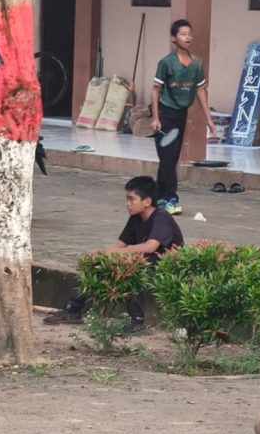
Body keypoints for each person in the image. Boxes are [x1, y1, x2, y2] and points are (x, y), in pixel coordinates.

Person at [43, 176, 184, 334]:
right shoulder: (136, 219)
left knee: (132, 269)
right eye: (127, 199)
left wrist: (117, 254)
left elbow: (151, 247)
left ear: (147, 201)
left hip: (167, 265)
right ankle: (72, 310)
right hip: (147, 261)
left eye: (132, 199)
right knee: (98, 264)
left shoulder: (161, 217)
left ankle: (137, 322)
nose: (128, 204)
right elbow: (120, 244)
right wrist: (101, 254)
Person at [151, 19, 217, 216]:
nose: (187, 37)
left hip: (180, 115)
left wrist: (209, 120)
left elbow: (200, 91)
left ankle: (157, 197)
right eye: (182, 34)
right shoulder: (166, 63)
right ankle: (171, 197)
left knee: (170, 158)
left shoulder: (197, 64)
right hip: (165, 115)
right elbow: (156, 90)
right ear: (174, 38)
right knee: (168, 157)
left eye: (189, 33)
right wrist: (155, 117)